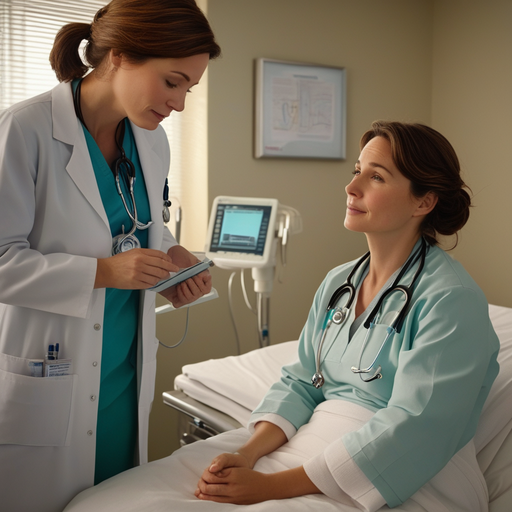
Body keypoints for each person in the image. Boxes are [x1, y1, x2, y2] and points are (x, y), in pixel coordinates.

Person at [194, 121, 500, 510]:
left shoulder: (451, 300)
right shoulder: (340, 281)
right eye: (357, 171)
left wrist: (270, 488)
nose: (351, 188)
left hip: (409, 478)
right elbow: (302, 382)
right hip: (317, 453)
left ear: (423, 202)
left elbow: (418, 427)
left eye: (376, 177)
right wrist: (248, 454)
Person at [0, 1, 220, 511]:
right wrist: (102, 273)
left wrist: (172, 261)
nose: (180, 103)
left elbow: (141, 230)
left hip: (122, 369)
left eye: (189, 87)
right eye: (172, 82)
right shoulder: (24, 131)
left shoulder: (151, 140)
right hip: (50, 374)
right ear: (120, 56)